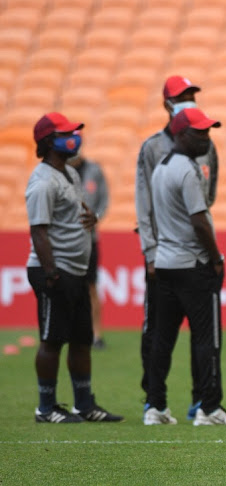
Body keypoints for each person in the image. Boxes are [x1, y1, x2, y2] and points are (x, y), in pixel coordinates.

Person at [25, 112, 122, 423]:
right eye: (67, 134)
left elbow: (76, 213)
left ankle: (84, 403)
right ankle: (46, 407)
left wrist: (91, 219)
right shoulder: (42, 182)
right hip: (56, 270)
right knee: (52, 339)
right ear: (48, 142)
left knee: (82, 338)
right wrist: (51, 272)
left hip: (76, 270)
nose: (75, 138)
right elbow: (38, 230)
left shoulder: (70, 173)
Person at [143, 107, 226, 426]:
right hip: (192, 264)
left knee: (162, 337)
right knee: (206, 338)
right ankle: (208, 409)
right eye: (200, 132)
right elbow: (199, 220)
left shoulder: (162, 167)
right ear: (181, 134)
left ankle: (155, 406)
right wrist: (216, 257)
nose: (206, 138)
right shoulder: (188, 170)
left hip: (166, 263)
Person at [135, 75, 219, 419]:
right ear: (167, 103)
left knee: (169, 333)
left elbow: (208, 193)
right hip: (175, 254)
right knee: (165, 333)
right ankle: (159, 400)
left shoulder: (205, 146)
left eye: (191, 95)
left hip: (178, 252)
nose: (188, 100)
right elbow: (146, 204)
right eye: (182, 96)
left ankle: (191, 400)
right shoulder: (153, 148)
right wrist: (150, 250)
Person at [69, 151, 109, 350]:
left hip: (89, 238)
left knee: (91, 286)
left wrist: (97, 217)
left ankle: (97, 334)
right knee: (69, 287)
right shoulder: (60, 171)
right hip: (66, 240)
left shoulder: (94, 169)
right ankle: (71, 331)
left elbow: (104, 199)